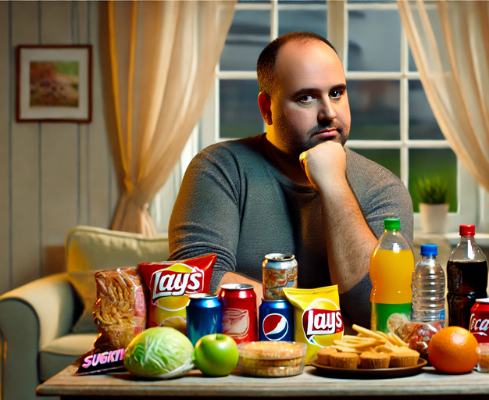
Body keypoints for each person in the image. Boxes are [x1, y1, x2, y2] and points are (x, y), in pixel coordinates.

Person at [168, 32, 413, 328]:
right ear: (266, 108)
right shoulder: (218, 169)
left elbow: (374, 312)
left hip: (345, 371)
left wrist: (334, 184)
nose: (328, 113)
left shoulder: (383, 188)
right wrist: (321, 320)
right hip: (245, 367)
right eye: (306, 97)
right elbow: (198, 282)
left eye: (336, 93)